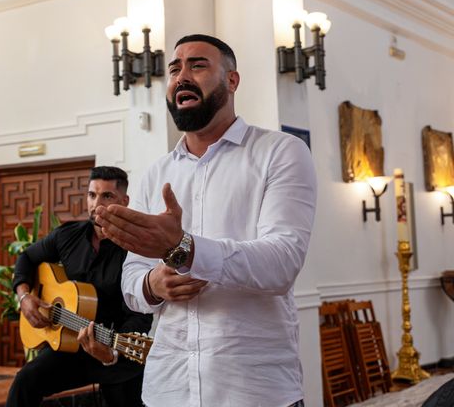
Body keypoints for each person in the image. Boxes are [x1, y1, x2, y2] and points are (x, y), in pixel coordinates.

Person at [95, 34, 317, 407]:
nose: (182, 76)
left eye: (198, 65)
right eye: (174, 69)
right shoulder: (156, 173)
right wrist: (153, 283)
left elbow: (282, 262)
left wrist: (183, 249)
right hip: (169, 387)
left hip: (252, 388)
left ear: (232, 81)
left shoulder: (281, 153)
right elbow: (132, 281)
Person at [6, 166, 152, 407]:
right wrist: (24, 297)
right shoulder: (67, 235)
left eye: (107, 196)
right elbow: (27, 258)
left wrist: (111, 353)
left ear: (124, 201)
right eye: (92, 195)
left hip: (115, 350)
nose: (97, 204)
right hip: (69, 345)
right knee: (25, 381)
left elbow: (139, 315)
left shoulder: (135, 248)